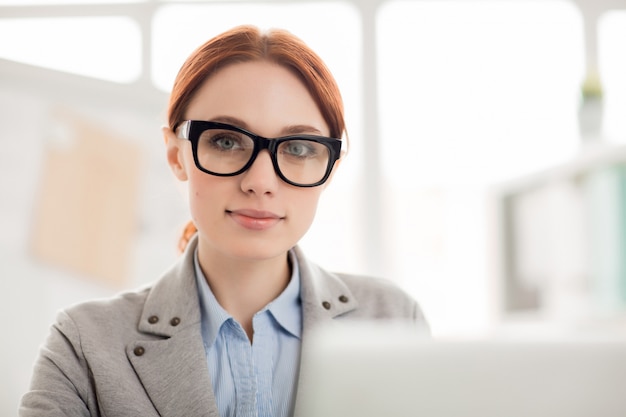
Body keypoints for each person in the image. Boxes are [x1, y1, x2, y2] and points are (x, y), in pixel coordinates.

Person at [19, 25, 428, 417]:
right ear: (177, 155)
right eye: (226, 141)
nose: (260, 182)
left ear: (331, 167)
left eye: (300, 148)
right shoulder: (84, 344)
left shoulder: (392, 320)